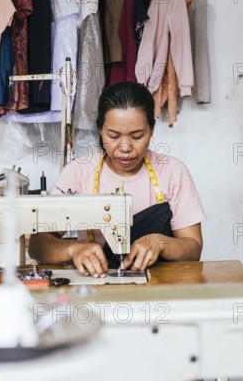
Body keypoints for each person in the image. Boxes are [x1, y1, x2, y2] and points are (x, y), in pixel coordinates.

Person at [28, 81, 206, 277]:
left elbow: (193, 247)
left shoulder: (172, 171)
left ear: (152, 130)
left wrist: (160, 243)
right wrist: (73, 249)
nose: (125, 147)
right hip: (95, 284)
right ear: (100, 130)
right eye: (113, 136)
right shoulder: (77, 172)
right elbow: (38, 244)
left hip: (160, 285)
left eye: (137, 136)